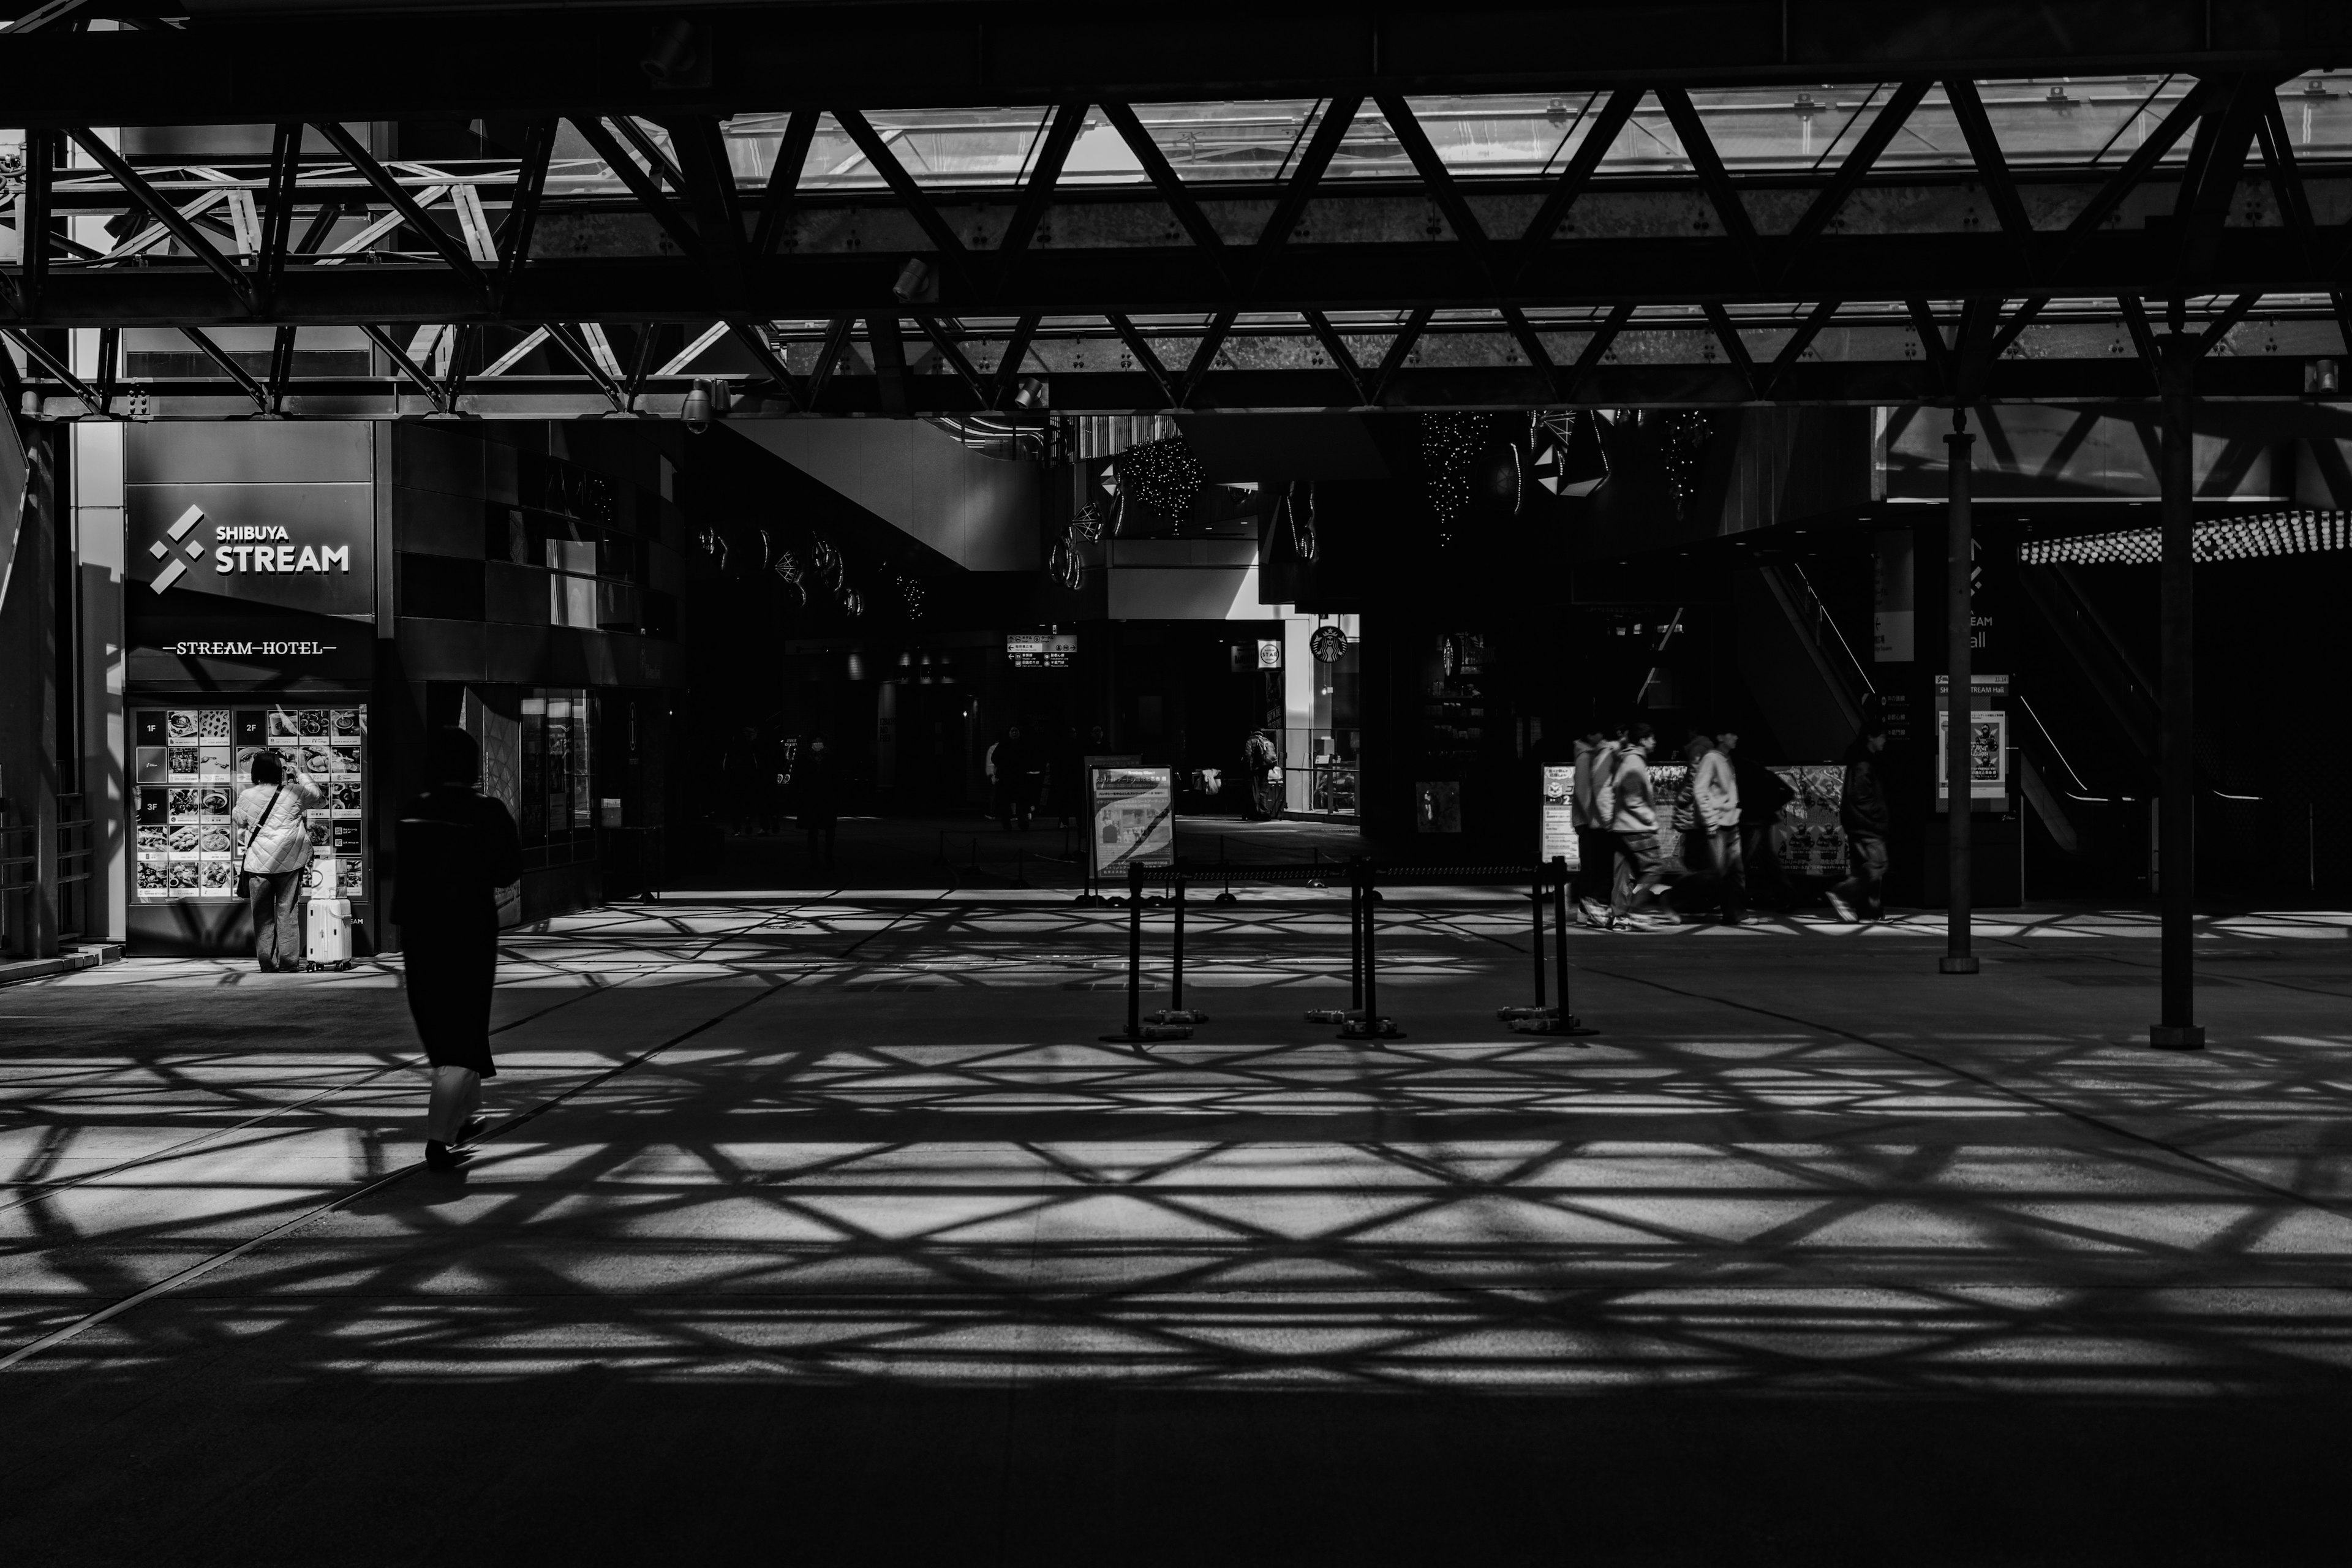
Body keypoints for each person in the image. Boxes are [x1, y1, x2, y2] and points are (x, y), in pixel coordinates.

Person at [394, 727, 522, 1170]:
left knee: (439, 1025)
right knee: (464, 1028)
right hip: (469, 931)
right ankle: (439, 1138)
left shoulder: (413, 811)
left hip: (419, 933)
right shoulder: (486, 812)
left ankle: (468, 1116)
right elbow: (508, 870)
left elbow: (401, 872)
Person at [232, 745, 325, 973]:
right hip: (290, 863)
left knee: (262, 917)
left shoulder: (246, 796)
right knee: (288, 913)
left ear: (255, 771)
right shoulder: (294, 792)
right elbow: (320, 800)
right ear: (280, 770)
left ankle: (267, 963)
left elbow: (239, 821)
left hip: (258, 864)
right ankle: (289, 963)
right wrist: (301, 772)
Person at [1722, 728, 1797, 914]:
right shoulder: (1754, 767)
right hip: (1760, 820)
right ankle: (1787, 897)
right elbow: (1787, 792)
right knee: (1766, 860)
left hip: (1752, 820)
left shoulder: (1740, 767)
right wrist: (1769, 809)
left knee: (1743, 861)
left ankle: (1734, 901)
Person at [1608, 722, 1674, 929]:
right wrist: (1651, 820)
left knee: (1624, 872)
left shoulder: (1627, 760)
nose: (1654, 742)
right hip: (1636, 826)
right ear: (1642, 740)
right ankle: (1636, 911)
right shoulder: (1634, 762)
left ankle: (1619, 916)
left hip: (1622, 826)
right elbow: (1633, 799)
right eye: (1651, 738)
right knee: (1655, 867)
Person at [1826, 722, 1891, 922]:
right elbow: (1860, 797)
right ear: (1871, 737)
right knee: (1878, 864)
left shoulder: (1860, 761)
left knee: (1866, 867)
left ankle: (1870, 912)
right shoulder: (1864, 765)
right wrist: (1878, 817)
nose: (1885, 741)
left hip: (1857, 823)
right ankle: (1842, 894)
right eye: (1882, 736)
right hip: (1866, 824)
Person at [1683, 730, 1743, 923]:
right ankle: (1678, 898)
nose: (1736, 737)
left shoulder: (1726, 759)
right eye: (1731, 734)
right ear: (1720, 737)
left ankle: (1734, 913)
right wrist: (1710, 820)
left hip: (1730, 823)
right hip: (1717, 824)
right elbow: (1700, 790)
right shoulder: (1711, 759)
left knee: (1734, 871)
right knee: (1720, 872)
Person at [1570, 725, 1621, 925]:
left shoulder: (1593, 754)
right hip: (1590, 822)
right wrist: (1595, 819)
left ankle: (1589, 908)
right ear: (1591, 735)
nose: (1603, 739)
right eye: (1600, 734)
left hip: (1594, 820)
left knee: (1596, 866)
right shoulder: (1586, 756)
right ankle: (1587, 909)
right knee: (1593, 867)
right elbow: (1584, 792)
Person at [791, 734, 840, 876]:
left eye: (820, 743)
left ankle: (827, 857)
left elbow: (836, 779)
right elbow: (797, 779)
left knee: (828, 830)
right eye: (815, 743)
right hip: (811, 799)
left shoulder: (830, 759)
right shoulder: (805, 759)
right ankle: (815, 859)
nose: (818, 745)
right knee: (814, 830)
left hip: (826, 799)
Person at [996, 725, 1038, 831]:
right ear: (1009, 733)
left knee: (1021, 800)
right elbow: (995, 758)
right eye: (1012, 731)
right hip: (1007, 777)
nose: (1015, 733)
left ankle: (1023, 821)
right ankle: (1007, 824)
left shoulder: (1023, 745)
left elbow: (1030, 758)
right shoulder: (1004, 745)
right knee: (1006, 802)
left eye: (1016, 731)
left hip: (1019, 777)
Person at [1243, 724, 1281, 821]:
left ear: (1252, 732)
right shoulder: (1266, 740)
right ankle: (1264, 812)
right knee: (1264, 791)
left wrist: (1246, 765)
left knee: (1255, 791)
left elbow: (1247, 755)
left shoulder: (1251, 740)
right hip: (1266, 768)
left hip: (1255, 769)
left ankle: (1256, 813)